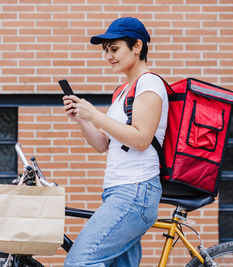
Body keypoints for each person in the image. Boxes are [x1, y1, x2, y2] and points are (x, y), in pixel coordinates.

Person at [62, 17, 169, 267]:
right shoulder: (123, 91)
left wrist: (96, 115)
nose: (108, 56)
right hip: (117, 191)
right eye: (106, 51)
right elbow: (102, 144)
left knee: (79, 262)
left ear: (137, 46)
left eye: (114, 49)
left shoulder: (149, 84)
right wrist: (82, 118)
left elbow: (141, 139)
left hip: (135, 191)